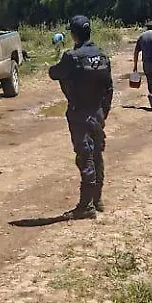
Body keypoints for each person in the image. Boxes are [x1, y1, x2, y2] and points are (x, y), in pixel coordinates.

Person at [48, 16, 114, 220]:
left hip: (80, 113)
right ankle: (97, 199)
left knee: (85, 156)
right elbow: (109, 88)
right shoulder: (102, 55)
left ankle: (86, 205)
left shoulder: (72, 57)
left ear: (74, 34)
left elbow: (55, 73)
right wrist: (103, 112)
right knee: (97, 154)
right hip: (97, 111)